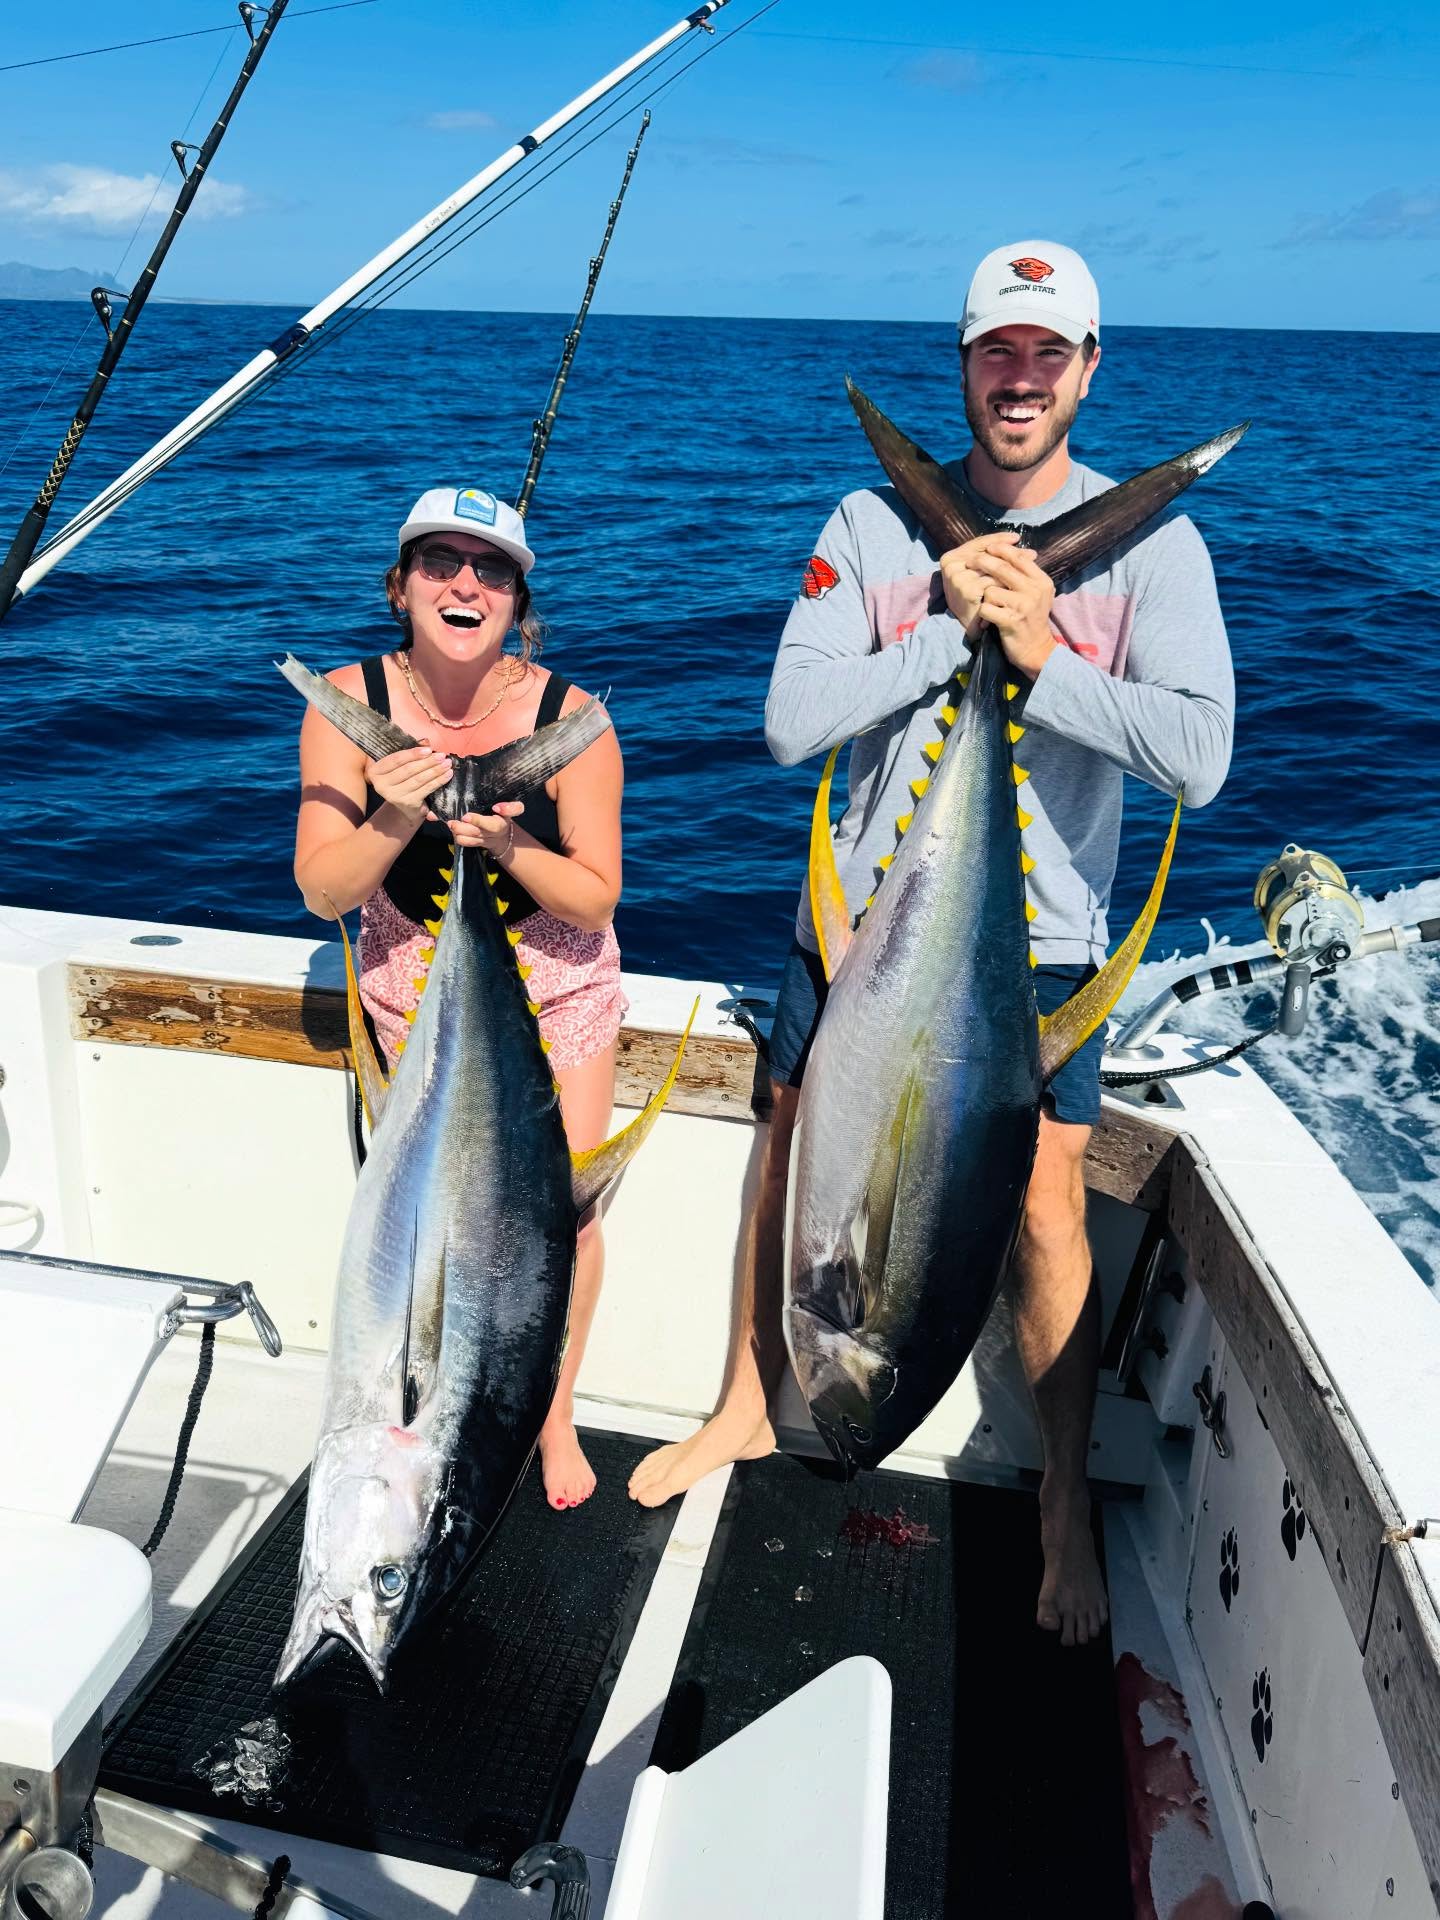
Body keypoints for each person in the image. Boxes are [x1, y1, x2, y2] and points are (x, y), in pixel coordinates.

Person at [629, 243, 1234, 1646]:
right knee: (789, 1140)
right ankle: (740, 1403)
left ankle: (1062, 1501)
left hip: (1037, 952)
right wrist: (949, 627)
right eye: (995, 354)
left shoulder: (1161, 548)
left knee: (1043, 1205)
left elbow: (1200, 759)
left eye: (1048, 356)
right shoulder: (871, 516)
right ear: (964, 365)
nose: (1020, 380)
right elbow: (791, 722)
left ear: (1089, 369)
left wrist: (1040, 663)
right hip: (859, 928)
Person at [294, 486, 625, 1513]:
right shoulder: (346, 704)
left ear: (520, 603)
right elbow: (321, 890)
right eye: (438, 563)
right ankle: (421, 1390)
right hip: (410, 977)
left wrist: (510, 841)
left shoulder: (574, 719)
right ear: (400, 589)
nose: (464, 584)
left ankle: (549, 1407)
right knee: (419, 1214)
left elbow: (598, 891)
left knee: (561, 1212)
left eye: (490, 570)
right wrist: (397, 816)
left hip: (553, 978)